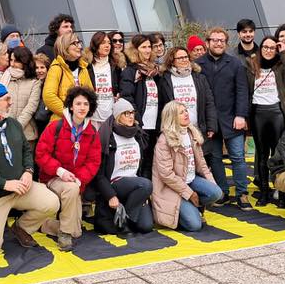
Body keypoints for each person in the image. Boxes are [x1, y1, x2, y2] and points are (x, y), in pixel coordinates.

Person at [0, 84, 60, 257]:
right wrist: (4, 184)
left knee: (51, 202)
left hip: (20, 189)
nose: (10, 102)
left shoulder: (13, 124)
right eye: (6, 99)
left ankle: (21, 228)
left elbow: (26, 150)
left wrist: (28, 171)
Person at [35, 86, 102, 251]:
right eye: (78, 103)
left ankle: (42, 224)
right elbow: (41, 154)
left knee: (77, 232)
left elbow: (93, 162)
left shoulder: (92, 132)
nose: (82, 107)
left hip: (75, 181)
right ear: (71, 106)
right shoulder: (55, 126)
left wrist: (79, 179)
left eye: (86, 104)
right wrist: (60, 171)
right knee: (71, 191)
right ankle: (64, 233)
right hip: (52, 177)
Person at [195, 27, 251, 209]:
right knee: (215, 158)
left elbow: (242, 91)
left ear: (226, 43)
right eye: (215, 40)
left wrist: (241, 115)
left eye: (222, 40)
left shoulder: (235, 64)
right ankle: (222, 192)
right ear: (207, 42)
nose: (218, 43)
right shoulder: (197, 65)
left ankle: (242, 193)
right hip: (209, 121)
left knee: (238, 157)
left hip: (232, 119)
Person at [151, 101, 223, 232]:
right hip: (172, 188)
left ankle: (191, 207)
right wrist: (189, 194)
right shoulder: (164, 140)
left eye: (186, 110)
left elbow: (202, 164)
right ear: (172, 117)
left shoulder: (191, 133)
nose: (186, 114)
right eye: (181, 112)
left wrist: (212, 184)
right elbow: (167, 175)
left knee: (217, 193)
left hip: (191, 180)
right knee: (194, 225)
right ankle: (181, 211)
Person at [244, 36, 285, 206]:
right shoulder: (251, 65)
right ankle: (264, 192)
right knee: (262, 154)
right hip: (258, 113)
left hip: (276, 112)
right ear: (260, 49)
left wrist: (283, 53)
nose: (268, 50)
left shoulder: (280, 65)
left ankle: (280, 193)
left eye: (272, 48)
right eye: (265, 47)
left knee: (278, 154)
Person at [92, 98, 153, 234]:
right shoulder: (108, 137)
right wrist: (110, 196)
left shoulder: (138, 135)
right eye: (126, 113)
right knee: (146, 185)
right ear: (118, 116)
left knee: (146, 226)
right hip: (115, 183)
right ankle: (123, 221)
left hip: (136, 184)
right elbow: (99, 174)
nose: (131, 116)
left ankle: (124, 219)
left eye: (132, 112)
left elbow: (144, 166)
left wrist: (144, 195)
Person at [120, 34, 163, 178]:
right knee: (140, 162)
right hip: (140, 124)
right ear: (135, 50)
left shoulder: (155, 72)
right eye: (143, 47)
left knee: (151, 162)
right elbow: (127, 97)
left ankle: (150, 189)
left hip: (155, 124)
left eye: (149, 47)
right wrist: (137, 119)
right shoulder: (130, 71)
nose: (147, 50)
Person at [159, 46, 217, 139]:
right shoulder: (165, 80)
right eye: (180, 58)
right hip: (175, 131)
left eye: (186, 57)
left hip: (198, 128)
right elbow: (161, 106)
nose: (184, 60)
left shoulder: (199, 78)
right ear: (172, 61)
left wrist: (211, 126)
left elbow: (209, 103)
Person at [43, 32, 93, 123]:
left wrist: (83, 111)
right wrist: (69, 112)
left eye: (79, 43)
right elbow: (48, 96)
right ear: (64, 46)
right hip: (61, 122)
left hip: (81, 122)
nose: (79, 46)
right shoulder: (56, 68)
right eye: (75, 43)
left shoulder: (83, 68)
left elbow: (91, 94)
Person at [0, 46, 43, 148]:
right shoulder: (2, 78)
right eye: (11, 60)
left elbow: (31, 107)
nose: (12, 64)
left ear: (25, 62)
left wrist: (16, 126)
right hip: (4, 131)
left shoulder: (34, 82)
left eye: (16, 61)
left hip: (26, 134)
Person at [85, 31, 122, 129]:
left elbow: (120, 86)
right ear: (95, 45)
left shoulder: (115, 65)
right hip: (92, 116)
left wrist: (119, 93)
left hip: (110, 115)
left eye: (109, 43)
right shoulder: (87, 66)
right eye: (103, 43)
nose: (107, 46)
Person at [33, 53, 53, 137]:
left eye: (42, 67)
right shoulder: (32, 83)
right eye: (36, 68)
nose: (39, 70)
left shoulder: (51, 84)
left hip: (46, 122)